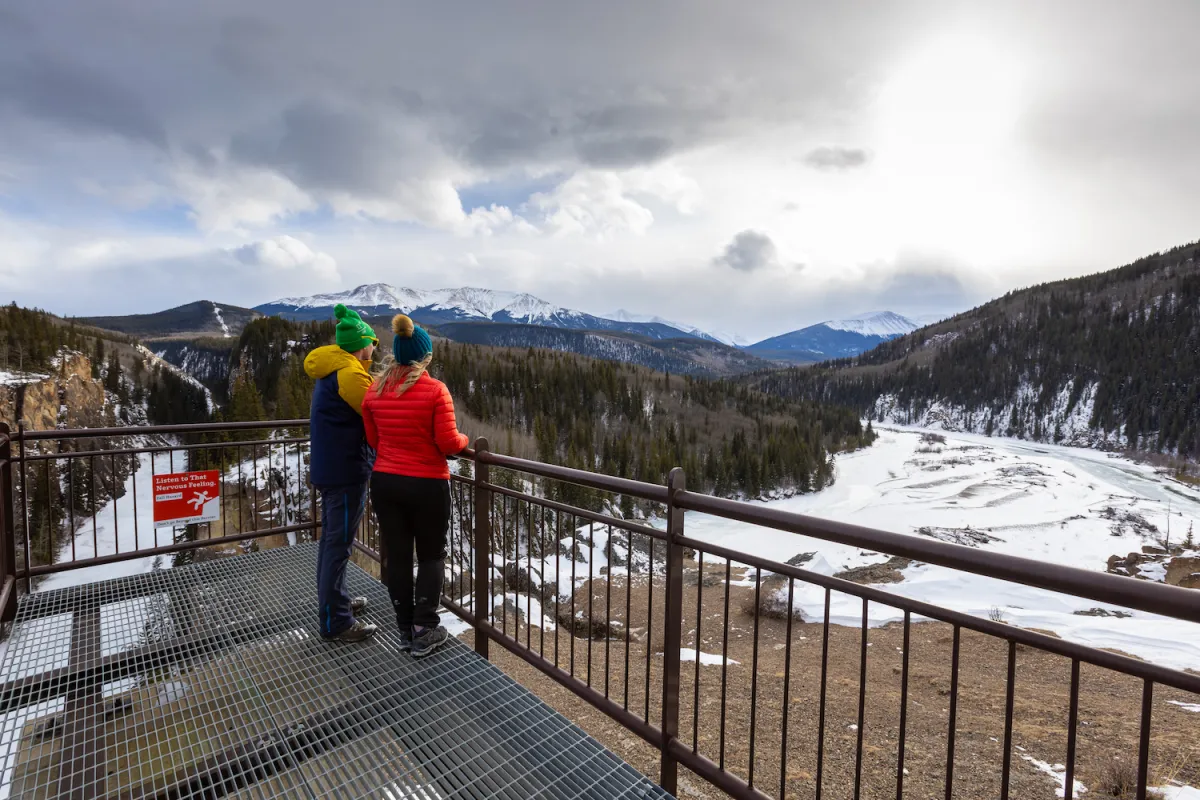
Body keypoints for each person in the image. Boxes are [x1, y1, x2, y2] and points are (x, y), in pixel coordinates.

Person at [362, 314, 468, 658]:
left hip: (385, 482)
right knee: (431, 555)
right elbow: (449, 442)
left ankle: (405, 627)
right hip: (426, 484)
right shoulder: (435, 390)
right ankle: (425, 628)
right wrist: (468, 440)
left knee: (399, 555)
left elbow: (373, 439)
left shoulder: (374, 391)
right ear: (425, 357)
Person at [304, 303, 380, 643]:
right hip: (345, 470)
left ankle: (338, 602)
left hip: (331, 466)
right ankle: (337, 621)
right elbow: (376, 412)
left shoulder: (334, 367)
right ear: (360, 343)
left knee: (333, 542)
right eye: (372, 342)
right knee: (338, 544)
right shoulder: (350, 374)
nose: (374, 348)